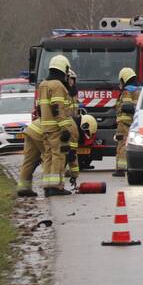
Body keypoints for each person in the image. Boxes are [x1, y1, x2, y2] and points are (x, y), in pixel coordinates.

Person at [17, 114, 98, 197]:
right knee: (55, 157)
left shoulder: (68, 119)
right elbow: (72, 155)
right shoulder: (73, 129)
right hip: (43, 134)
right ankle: (54, 187)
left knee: (30, 161)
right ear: (83, 126)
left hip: (31, 130)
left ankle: (24, 188)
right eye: (86, 134)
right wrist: (74, 174)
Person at [34, 54, 73, 197]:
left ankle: (48, 186)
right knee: (58, 155)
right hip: (56, 128)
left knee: (48, 156)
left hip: (45, 127)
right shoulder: (57, 85)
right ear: (63, 68)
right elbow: (58, 108)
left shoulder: (43, 84)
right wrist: (65, 128)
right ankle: (56, 187)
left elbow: (39, 108)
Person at [113, 67, 139, 177]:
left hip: (124, 124)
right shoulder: (139, 90)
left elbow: (125, 107)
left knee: (122, 145)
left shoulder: (127, 91)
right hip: (135, 123)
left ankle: (121, 169)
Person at [64, 68, 82, 182]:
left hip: (74, 123)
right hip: (65, 123)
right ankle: (64, 169)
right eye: (70, 80)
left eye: (73, 80)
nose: (72, 82)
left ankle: (73, 171)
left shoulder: (74, 93)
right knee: (65, 148)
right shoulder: (63, 92)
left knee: (73, 149)